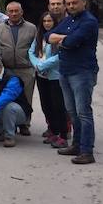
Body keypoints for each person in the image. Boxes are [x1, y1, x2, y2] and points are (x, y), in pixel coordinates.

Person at [47, 0, 99, 165]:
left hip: (83, 72)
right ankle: (76, 146)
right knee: (72, 112)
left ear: (84, 2)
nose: (70, 6)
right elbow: (48, 36)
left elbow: (70, 42)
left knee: (83, 112)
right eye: (68, 3)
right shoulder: (69, 19)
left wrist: (62, 39)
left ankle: (87, 151)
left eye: (74, 3)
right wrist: (64, 38)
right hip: (65, 71)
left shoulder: (89, 22)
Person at [29, 13, 69, 148]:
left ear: (55, 22)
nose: (47, 23)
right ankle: (54, 131)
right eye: (44, 21)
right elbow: (31, 52)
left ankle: (63, 135)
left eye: (50, 20)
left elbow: (61, 56)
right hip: (41, 76)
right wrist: (37, 65)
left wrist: (43, 65)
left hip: (55, 76)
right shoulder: (39, 36)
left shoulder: (58, 36)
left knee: (58, 106)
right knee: (46, 106)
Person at [0, 2, 36, 130]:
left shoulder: (31, 28)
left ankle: (25, 124)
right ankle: (8, 124)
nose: (13, 13)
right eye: (11, 11)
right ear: (6, 13)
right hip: (6, 69)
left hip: (25, 68)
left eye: (16, 11)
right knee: (7, 97)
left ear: (21, 12)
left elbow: (37, 48)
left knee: (26, 97)